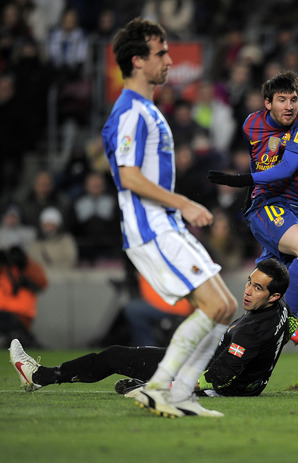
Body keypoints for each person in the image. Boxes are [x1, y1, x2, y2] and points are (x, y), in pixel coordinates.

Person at [100, 18, 237, 418]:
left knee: (225, 308)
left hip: (165, 226)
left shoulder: (145, 109)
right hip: (152, 227)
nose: (170, 60)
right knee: (215, 306)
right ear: (138, 61)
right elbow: (128, 176)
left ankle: (178, 392)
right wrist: (183, 203)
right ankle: (163, 387)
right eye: (161, 53)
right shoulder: (131, 112)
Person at [10, 258, 294, 398]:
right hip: (222, 371)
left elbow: (217, 378)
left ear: (273, 296)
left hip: (201, 371)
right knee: (120, 356)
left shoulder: (251, 332)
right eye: (249, 281)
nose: (247, 291)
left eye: (257, 288)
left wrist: (159, 386)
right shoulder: (280, 309)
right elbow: (289, 322)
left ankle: (40, 376)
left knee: (113, 357)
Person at [207, 70, 298, 347]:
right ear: (267, 103)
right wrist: (252, 190)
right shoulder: (251, 123)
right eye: (282, 100)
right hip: (268, 206)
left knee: (265, 301)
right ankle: (291, 322)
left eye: (294, 99)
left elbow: (286, 168)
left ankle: (219, 352)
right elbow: (262, 162)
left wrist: (241, 180)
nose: (289, 106)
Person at [0, 245, 48, 348]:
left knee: (10, 323)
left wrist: (25, 262)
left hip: (20, 314)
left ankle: (26, 340)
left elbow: (42, 282)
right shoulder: (6, 270)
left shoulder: (27, 269)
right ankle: (26, 340)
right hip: (6, 312)